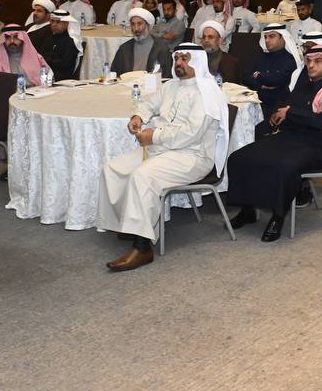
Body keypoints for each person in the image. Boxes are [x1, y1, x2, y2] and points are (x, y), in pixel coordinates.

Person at [98, 43, 229, 272]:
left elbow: (191, 133)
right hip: (163, 149)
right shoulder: (172, 85)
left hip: (192, 156)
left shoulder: (208, 93)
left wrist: (154, 136)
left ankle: (142, 247)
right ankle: (128, 225)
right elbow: (149, 102)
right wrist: (139, 116)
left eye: (185, 59)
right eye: (177, 58)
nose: (179, 63)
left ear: (198, 61)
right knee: (113, 168)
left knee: (142, 177)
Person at [225, 46, 322, 241]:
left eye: (318, 61)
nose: (311, 65)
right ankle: (248, 209)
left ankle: (278, 217)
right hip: (291, 137)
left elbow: (320, 122)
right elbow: (291, 108)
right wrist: (282, 115)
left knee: (283, 166)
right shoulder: (304, 86)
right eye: (308, 61)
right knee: (240, 157)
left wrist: (291, 113)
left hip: (319, 146)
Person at [247, 24, 301, 116]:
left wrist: (257, 76)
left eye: (271, 36)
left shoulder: (290, 60)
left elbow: (275, 80)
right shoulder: (260, 56)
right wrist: (261, 86)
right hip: (256, 102)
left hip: (278, 106)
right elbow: (246, 77)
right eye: (265, 37)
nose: (267, 40)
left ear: (282, 38)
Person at [110, 8, 163, 76]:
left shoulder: (161, 48)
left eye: (139, 24)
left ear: (148, 25)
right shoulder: (124, 48)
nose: (136, 28)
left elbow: (167, 77)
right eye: (133, 24)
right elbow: (114, 74)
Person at [41, 9, 82, 81]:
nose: (54, 24)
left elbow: (65, 63)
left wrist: (47, 60)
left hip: (62, 77)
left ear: (66, 24)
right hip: (47, 72)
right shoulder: (49, 36)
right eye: (52, 21)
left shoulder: (71, 41)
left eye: (58, 22)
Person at [152, 0, 187, 71]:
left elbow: (170, 38)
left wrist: (158, 35)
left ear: (175, 10)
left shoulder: (180, 24)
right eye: (164, 10)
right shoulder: (161, 23)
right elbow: (151, 33)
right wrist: (163, 35)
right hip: (158, 51)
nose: (166, 12)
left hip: (171, 53)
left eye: (169, 9)